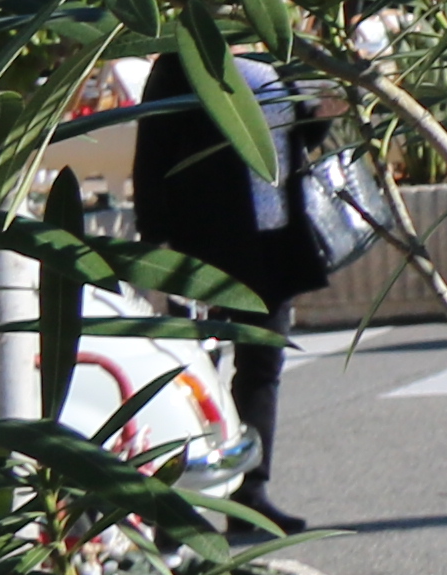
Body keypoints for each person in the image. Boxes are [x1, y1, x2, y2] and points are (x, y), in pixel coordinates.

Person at [135, 51, 321, 522]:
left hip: (273, 238)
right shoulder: (180, 65)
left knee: (262, 367)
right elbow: (152, 152)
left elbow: (291, 140)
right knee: (191, 375)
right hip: (208, 244)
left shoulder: (275, 56)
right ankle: (178, 508)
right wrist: (155, 251)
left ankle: (250, 496)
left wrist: (322, 116)